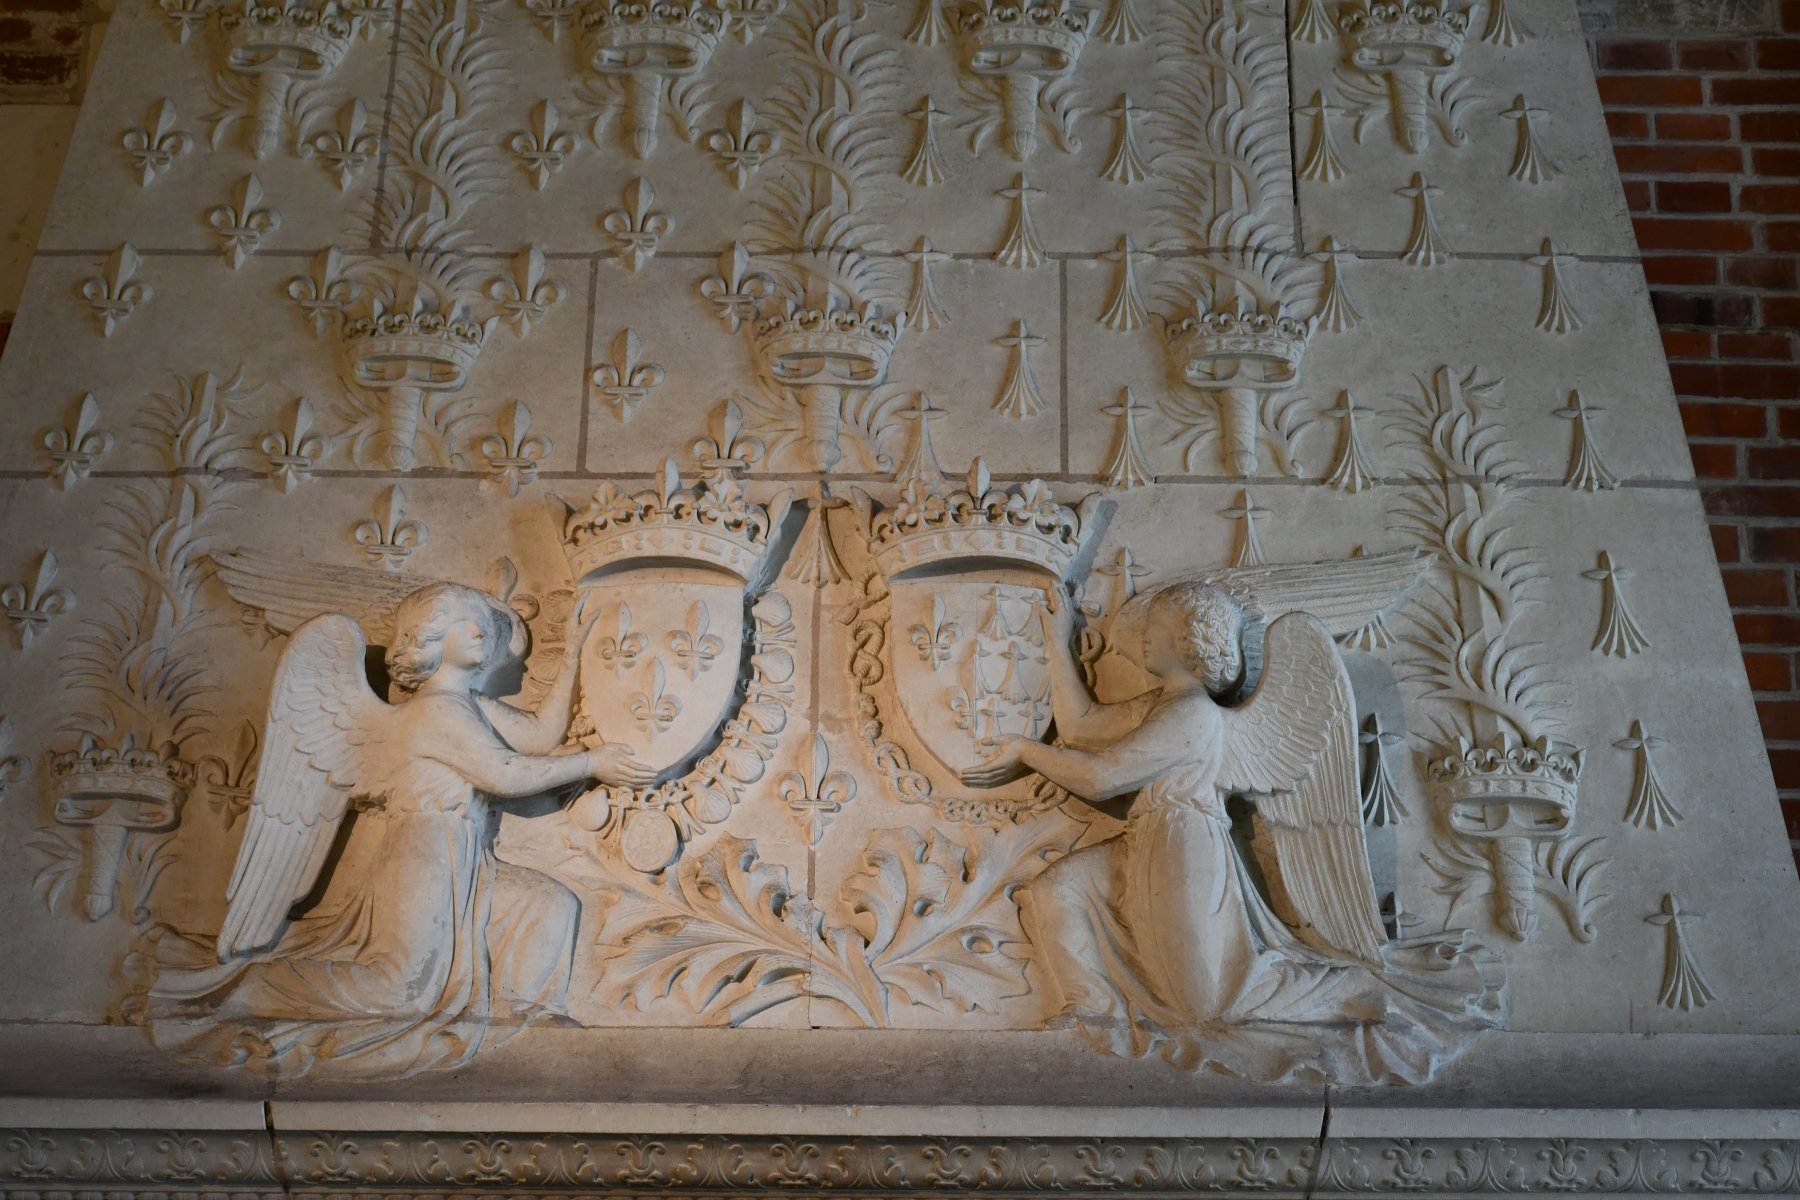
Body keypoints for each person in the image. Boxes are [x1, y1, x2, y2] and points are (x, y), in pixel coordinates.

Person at [962, 582, 1504, 1085]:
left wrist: (1027, 752)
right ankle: (1093, 1014)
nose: (1144, 635)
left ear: (1189, 640)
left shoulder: (1193, 714)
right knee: (1057, 889)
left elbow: (1102, 778)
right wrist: (1057, 640)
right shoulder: (1159, 705)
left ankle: (1355, 988)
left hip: (1183, 849)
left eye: (1156, 626)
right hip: (1143, 841)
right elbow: (1081, 727)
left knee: (1208, 1006)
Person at [138, 583, 655, 1078]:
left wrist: (573, 653)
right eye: (465, 623)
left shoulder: (471, 706)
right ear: (429, 636)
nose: (480, 632)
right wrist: (592, 763)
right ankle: (247, 988)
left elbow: (540, 736)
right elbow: (504, 774)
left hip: (466, 858)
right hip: (422, 855)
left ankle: (525, 1012)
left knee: (548, 905)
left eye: (481, 624)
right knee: (398, 990)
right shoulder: (432, 712)